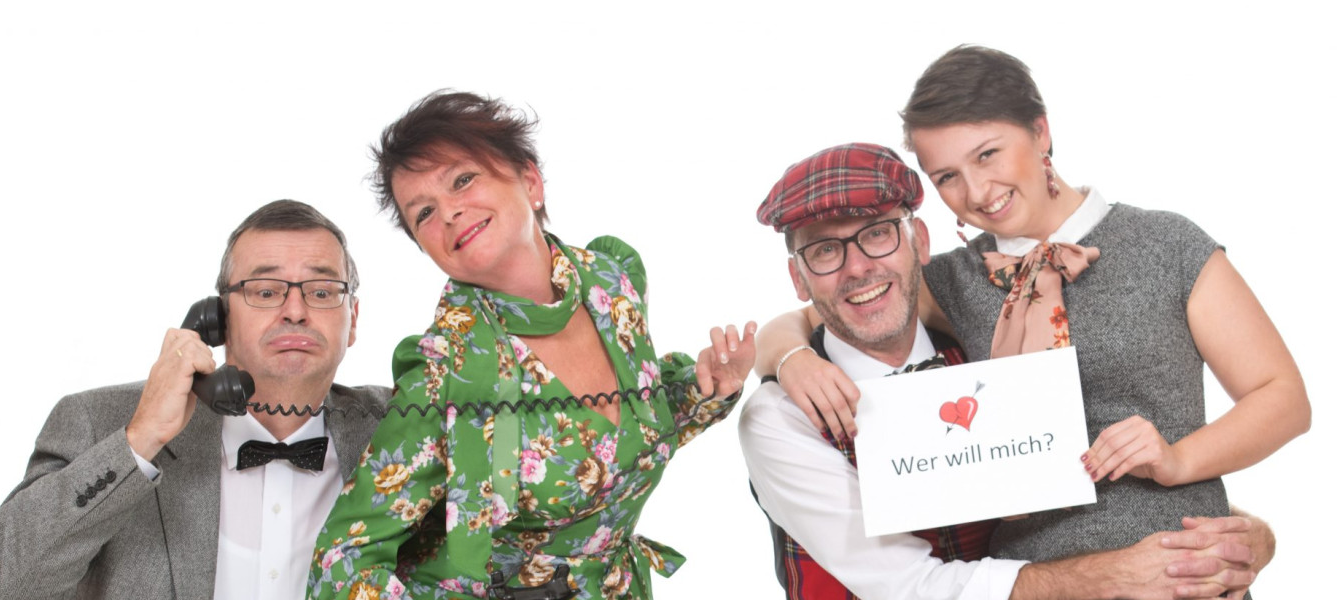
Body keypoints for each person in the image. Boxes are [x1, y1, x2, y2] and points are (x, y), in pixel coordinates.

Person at [759, 44, 1308, 577]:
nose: (977, 191)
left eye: (987, 154)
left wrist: (1180, 459)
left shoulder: (1166, 244)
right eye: (947, 176)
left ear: (1040, 132)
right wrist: (790, 360)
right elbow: (821, 312)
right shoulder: (953, 279)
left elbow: (1283, 398)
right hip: (1036, 579)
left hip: (1180, 564)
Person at [306, 91, 755, 600]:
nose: (449, 212)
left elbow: (625, 440)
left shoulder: (612, 284)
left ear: (531, 181)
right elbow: (342, 558)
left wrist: (706, 391)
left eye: (462, 179)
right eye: (424, 212)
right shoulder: (445, 373)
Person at [0, 200, 390, 600]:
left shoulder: (402, 425)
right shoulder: (97, 423)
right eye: (265, 291)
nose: (295, 310)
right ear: (219, 319)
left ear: (352, 319)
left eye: (322, 291)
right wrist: (139, 441)